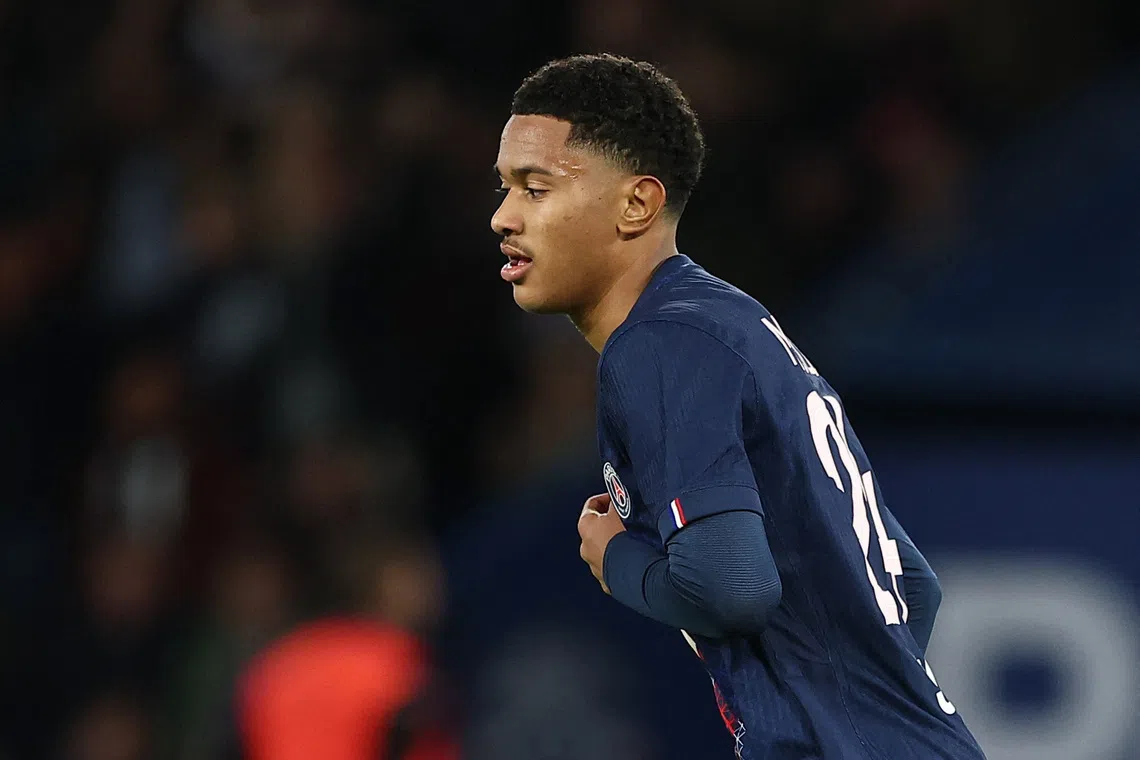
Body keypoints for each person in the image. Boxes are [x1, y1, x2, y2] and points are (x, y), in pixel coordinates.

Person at [490, 53, 987, 760]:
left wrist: (619, 561)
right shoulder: (734, 325)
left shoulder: (661, 344)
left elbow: (732, 588)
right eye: (505, 187)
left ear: (637, 203)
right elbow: (911, 585)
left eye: (535, 189)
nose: (502, 217)